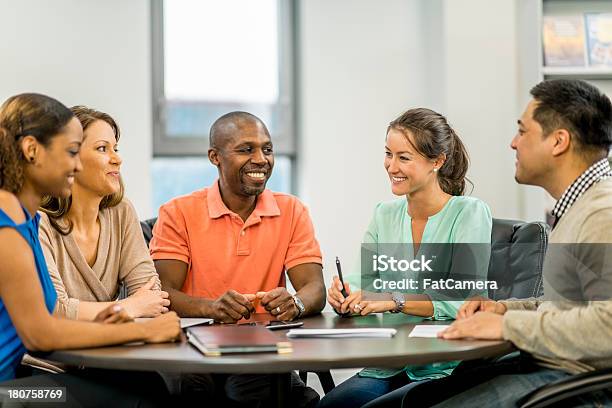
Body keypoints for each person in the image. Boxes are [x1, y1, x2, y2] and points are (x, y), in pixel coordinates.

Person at [394, 79, 612, 407]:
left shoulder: (602, 213)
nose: (513, 143)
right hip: (548, 366)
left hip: (575, 383)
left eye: (523, 132)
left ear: (558, 141)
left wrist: (507, 325)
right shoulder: (579, 207)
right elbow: (567, 307)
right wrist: (502, 308)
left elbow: (607, 326)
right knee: (414, 400)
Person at [0, 93, 180, 406]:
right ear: (31, 151)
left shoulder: (23, 217)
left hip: (20, 380)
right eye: (71, 152)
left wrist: (103, 321)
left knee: (148, 386)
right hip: (12, 389)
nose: (76, 163)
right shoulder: (7, 225)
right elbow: (41, 335)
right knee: (140, 397)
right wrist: (145, 330)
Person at [320, 108, 492, 408]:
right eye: (389, 154)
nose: (391, 166)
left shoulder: (469, 212)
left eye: (404, 157)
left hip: (443, 367)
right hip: (389, 361)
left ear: (437, 162)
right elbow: (364, 281)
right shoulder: (383, 214)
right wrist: (346, 295)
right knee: (331, 407)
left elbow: (462, 297)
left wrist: (394, 299)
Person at [150, 111, 324, 407]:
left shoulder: (293, 211)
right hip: (193, 350)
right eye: (246, 149)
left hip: (261, 349)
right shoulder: (177, 213)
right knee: (193, 391)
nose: (261, 159)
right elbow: (163, 294)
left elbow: (315, 289)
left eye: (267, 149)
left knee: (294, 398)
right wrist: (212, 308)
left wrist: (294, 303)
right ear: (214, 157)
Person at [38, 106, 169, 320]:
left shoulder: (121, 212)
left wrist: (134, 306)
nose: (117, 159)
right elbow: (55, 310)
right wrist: (128, 307)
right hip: (48, 353)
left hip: (107, 347)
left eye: (115, 149)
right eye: (102, 149)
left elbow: (151, 296)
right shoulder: (38, 221)